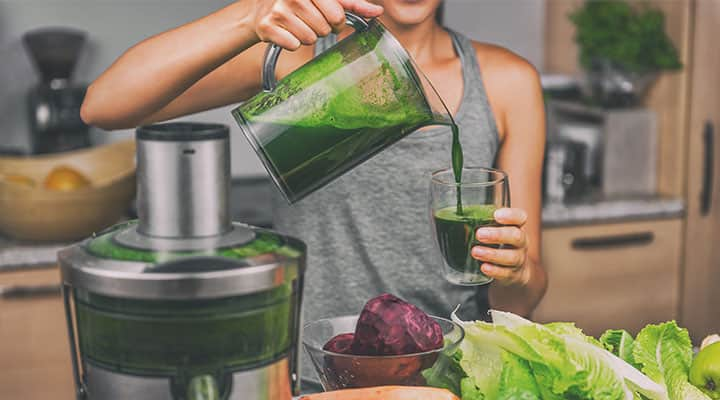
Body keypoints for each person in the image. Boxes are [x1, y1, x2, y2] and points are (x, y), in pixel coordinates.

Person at [81, 0, 546, 337]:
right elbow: (105, 106)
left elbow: (521, 301)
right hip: (316, 371)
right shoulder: (295, 57)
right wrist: (250, 15)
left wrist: (517, 272)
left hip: (451, 373)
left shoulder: (507, 83)